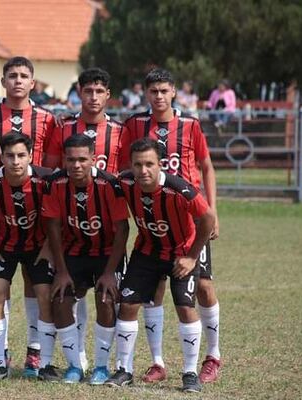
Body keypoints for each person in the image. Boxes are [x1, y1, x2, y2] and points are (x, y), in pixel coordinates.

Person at [121, 68, 222, 384]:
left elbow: (206, 165)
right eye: (154, 91)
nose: (159, 96)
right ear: (146, 94)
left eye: (164, 91)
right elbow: (126, 166)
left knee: (201, 286)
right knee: (154, 288)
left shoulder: (190, 124)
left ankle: (213, 355)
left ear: (174, 92)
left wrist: (213, 209)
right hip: (155, 213)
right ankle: (157, 362)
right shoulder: (135, 124)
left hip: (191, 214)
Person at [107, 137, 215, 393]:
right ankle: (124, 369)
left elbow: (208, 219)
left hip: (180, 254)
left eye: (149, 164)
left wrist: (191, 256)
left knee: (185, 306)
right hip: (146, 251)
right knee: (128, 304)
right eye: (137, 164)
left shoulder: (180, 189)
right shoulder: (124, 182)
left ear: (161, 164)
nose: (143, 170)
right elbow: (100, 180)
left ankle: (190, 373)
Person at [0, 56, 56, 376]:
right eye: (12, 76)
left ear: (32, 82)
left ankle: (35, 355)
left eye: (24, 76)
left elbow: (51, 168)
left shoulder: (47, 119)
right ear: (3, 81)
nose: (18, 81)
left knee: (36, 289)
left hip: (36, 220)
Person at [44, 67, 125, 372]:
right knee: (60, 294)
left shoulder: (120, 135)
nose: (93, 97)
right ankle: (74, 364)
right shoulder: (61, 131)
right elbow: (49, 174)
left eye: (99, 91)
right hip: (72, 243)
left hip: (107, 240)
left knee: (109, 298)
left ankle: (105, 366)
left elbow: (128, 177)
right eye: (87, 90)